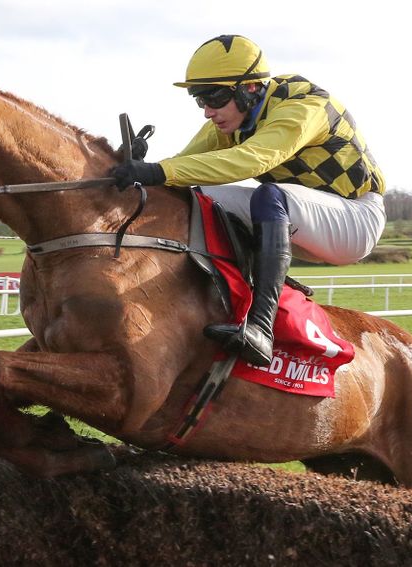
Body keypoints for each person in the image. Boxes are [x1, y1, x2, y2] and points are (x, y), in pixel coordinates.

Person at [111, 34, 387, 366]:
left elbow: (252, 159)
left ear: (250, 88)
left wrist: (158, 171)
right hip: (303, 218)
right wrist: (135, 167)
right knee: (193, 197)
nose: (207, 112)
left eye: (214, 97)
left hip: (355, 220)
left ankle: (260, 328)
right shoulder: (232, 120)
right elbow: (182, 171)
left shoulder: (303, 107)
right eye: (199, 100)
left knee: (268, 195)